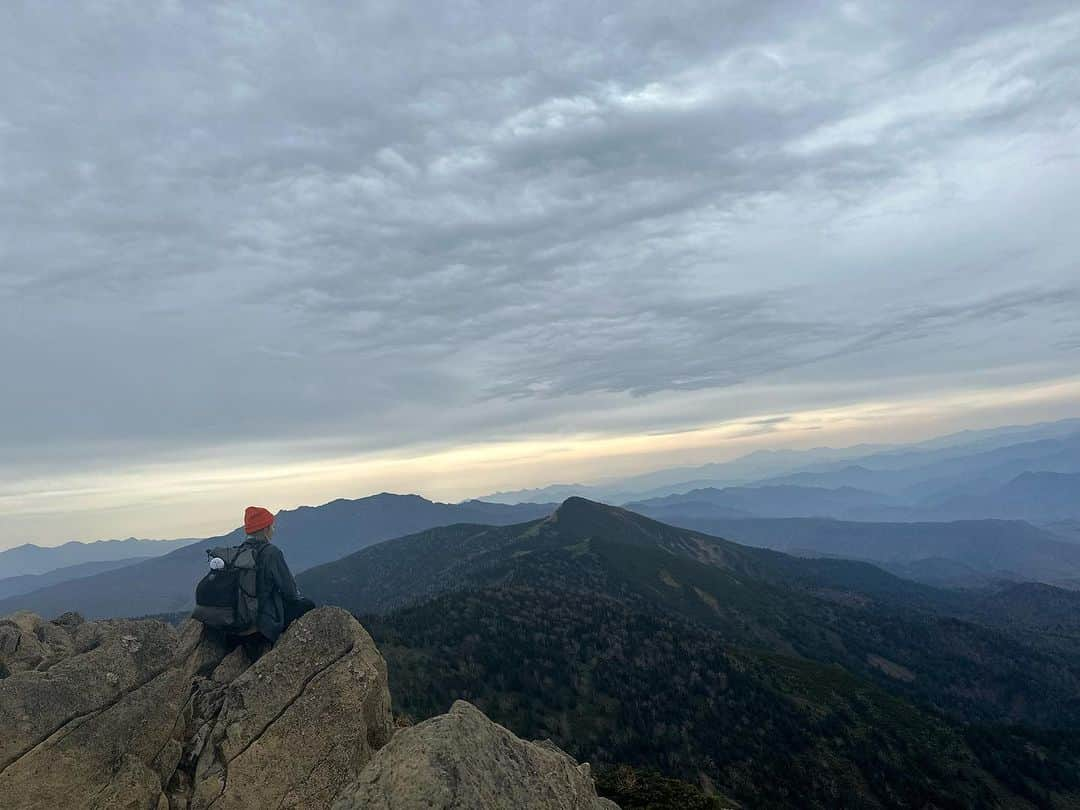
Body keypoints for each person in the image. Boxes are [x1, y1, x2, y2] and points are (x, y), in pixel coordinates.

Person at [238, 506, 314, 652]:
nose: (274, 529)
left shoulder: (238, 552)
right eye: (272, 525)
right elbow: (290, 593)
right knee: (307, 605)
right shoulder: (271, 553)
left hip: (240, 622)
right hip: (263, 624)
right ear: (265, 529)